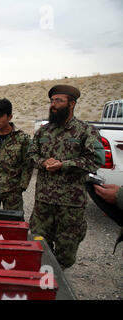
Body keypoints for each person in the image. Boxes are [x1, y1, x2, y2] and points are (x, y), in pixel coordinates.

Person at [28, 84, 105, 269]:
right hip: (43, 202)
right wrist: (43, 162)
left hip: (70, 204)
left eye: (58, 101)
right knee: (37, 246)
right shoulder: (44, 131)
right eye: (52, 101)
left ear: (72, 104)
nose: (53, 105)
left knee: (66, 254)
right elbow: (30, 154)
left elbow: (96, 159)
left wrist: (65, 165)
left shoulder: (86, 131)